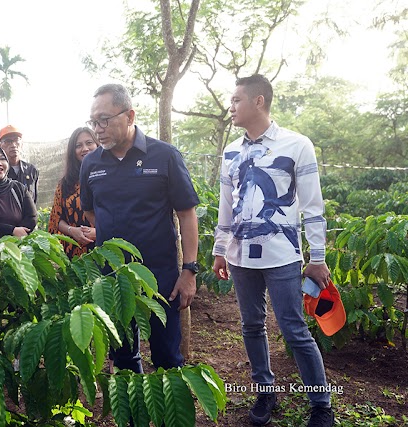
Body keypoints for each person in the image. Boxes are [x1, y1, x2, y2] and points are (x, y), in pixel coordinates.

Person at [212, 74, 334, 427]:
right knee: (251, 325)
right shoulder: (231, 151)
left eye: (236, 100)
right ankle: (265, 391)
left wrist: (319, 257)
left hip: (282, 255)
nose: (230, 107)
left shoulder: (296, 145)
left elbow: (313, 206)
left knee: (294, 329)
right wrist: (220, 249)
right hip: (239, 255)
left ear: (258, 102)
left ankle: (321, 404)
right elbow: (226, 205)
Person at [79, 83, 200, 373]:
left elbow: (187, 213)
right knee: (122, 357)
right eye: (93, 122)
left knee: (167, 358)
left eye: (105, 120)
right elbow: (90, 210)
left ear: (130, 115)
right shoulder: (91, 164)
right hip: (112, 281)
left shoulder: (165, 156)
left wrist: (189, 270)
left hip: (161, 278)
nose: (98, 128)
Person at [48, 127, 99, 258]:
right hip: (73, 250)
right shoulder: (65, 183)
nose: (85, 149)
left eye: (89, 143)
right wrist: (73, 231)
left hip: (104, 249)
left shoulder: (108, 177)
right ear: (73, 151)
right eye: (78, 145)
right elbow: (56, 219)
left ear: (97, 144)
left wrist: (99, 231)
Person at [0, 125, 39, 204]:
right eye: (8, 141)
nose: (13, 145)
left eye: (16, 140)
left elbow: (34, 199)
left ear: (22, 143)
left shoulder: (31, 170)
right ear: (0, 146)